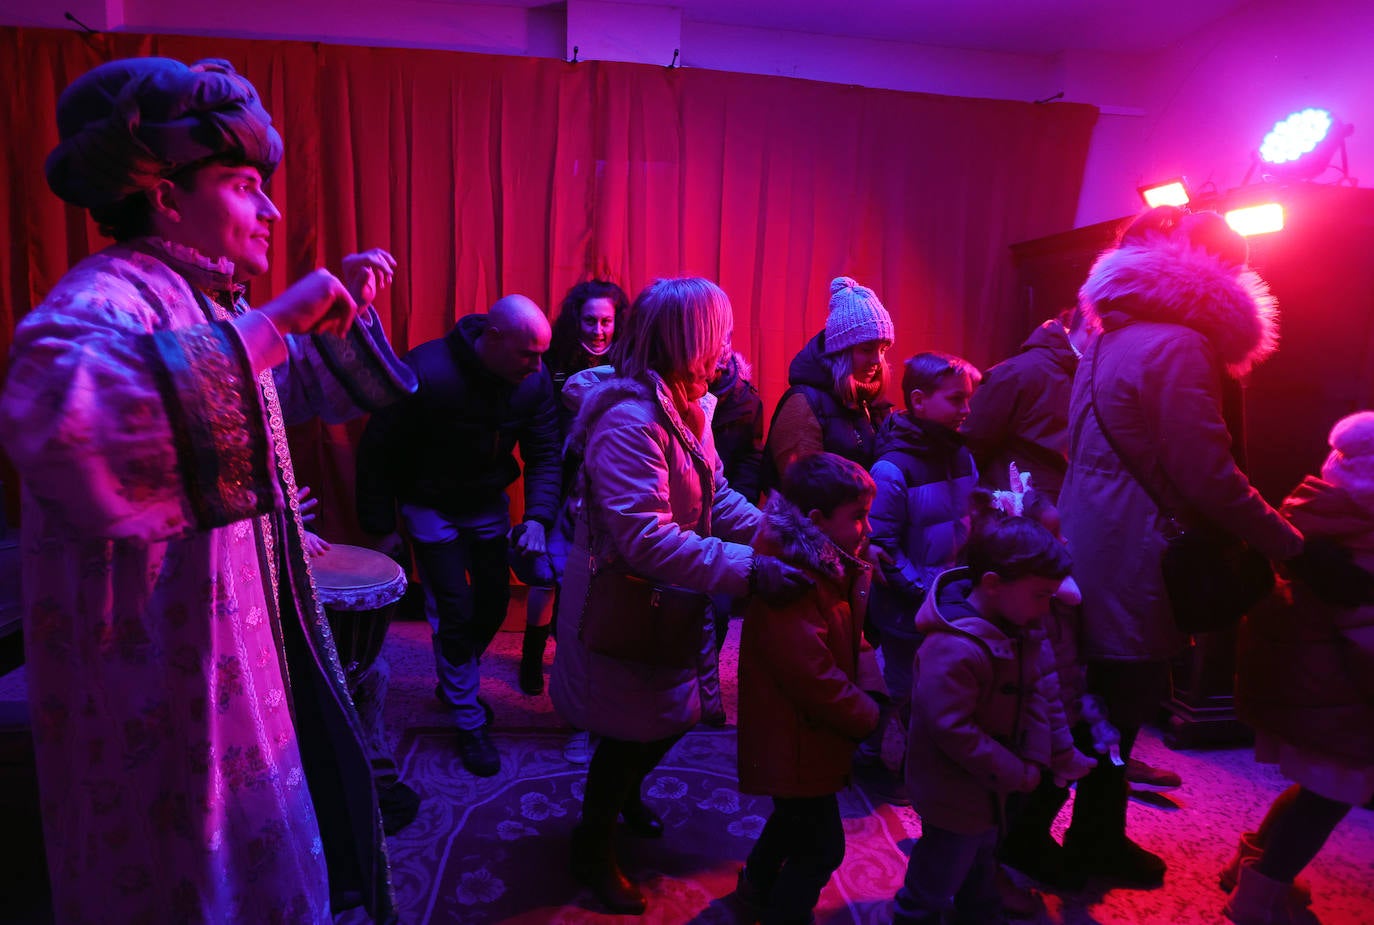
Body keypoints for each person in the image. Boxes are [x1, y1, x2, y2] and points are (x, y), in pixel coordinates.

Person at [0, 57, 415, 924]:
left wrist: (331, 315)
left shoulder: (206, 305)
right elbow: (63, 418)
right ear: (161, 190)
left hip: (228, 635)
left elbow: (287, 394)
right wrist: (272, 324)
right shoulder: (104, 296)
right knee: (177, 865)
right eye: (241, 183)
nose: (268, 209)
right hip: (152, 668)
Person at [1058, 206, 1305, 886]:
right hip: (1141, 545)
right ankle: (1073, 841)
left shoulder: (1109, 335)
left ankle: (1085, 834)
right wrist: (1287, 543)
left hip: (1092, 535)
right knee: (1121, 703)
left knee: (1095, 698)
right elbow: (1209, 474)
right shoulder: (1182, 345)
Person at [548, 276, 809, 915]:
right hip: (624, 598)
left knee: (668, 716)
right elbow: (645, 540)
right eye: (718, 331)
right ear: (688, 338)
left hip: (669, 595)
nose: (727, 344)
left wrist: (784, 535)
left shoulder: (687, 404)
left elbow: (715, 496)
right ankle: (592, 842)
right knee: (627, 729)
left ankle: (624, 795)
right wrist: (752, 569)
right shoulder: (631, 421)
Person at [961, 309, 1182, 793]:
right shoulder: (1021, 373)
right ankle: (1021, 767)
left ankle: (1100, 756)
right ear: (1086, 321)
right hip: (1024, 531)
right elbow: (971, 445)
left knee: (1072, 655)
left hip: (1076, 526)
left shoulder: (1100, 372)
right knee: (1031, 656)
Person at [355, 294, 560, 778]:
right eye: (527, 354)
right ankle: (468, 715)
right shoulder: (424, 368)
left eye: (542, 354)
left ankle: (454, 681)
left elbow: (545, 452)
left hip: (487, 502)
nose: (538, 366)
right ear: (493, 338)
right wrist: (382, 527)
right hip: (428, 504)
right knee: (454, 608)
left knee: (491, 603)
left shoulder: (534, 381)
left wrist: (537, 518)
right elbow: (377, 451)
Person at [891, 507, 1096, 925]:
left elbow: (1042, 691)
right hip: (953, 793)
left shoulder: (1020, 625)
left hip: (991, 790)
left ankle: (980, 911)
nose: (1046, 608)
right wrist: (1016, 772)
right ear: (992, 585)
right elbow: (953, 729)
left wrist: (1061, 750)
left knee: (982, 862)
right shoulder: (954, 647)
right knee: (938, 872)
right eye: (1040, 595)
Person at [1222, 411, 1374, 925]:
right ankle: (1256, 901)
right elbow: (1365, 630)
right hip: (1339, 685)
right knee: (1331, 792)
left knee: (1317, 783)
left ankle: (1249, 867)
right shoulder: (1364, 531)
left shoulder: (1323, 504)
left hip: (1310, 673)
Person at [735, 452, 886, 925]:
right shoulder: (795, 578)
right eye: (858, 517)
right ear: (818, 520)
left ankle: (757, 883)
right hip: (793, 734)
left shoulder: (833, 562)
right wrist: (865, 714)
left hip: (808, 735)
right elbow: (810, 674)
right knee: (823, 848)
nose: (867, 527)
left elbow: (845, 639)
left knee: (792, 820)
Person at [858, 352, 980, 803]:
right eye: (956, 400)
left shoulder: (961, 453)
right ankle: (871, 758)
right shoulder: (892, 468)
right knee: (901, 689)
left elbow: (967, 521)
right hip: (906, 604)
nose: (966, 409)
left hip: (945, 598)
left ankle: (920, 766)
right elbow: (881, 548)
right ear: (919, 400)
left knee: (935, 688)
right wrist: (923, 592)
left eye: (969, 399)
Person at [517, 279, 631, 700]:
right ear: (575, 320)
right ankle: (531, 654)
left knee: (597, 574)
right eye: (589, 321)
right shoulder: (556, 356)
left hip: (610, 477)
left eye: (606, 321)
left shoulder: (629, 358)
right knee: (546, 574)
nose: (598, 330)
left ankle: (582, 656)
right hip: (564, 473)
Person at [764, 276, 894, 487]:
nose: (877, 361)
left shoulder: (872, 403)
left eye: (883, 349)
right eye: (866, 349)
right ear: (840, 351)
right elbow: (801, 490)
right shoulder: (803, 404)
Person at [961, 308, 1085, 502]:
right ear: (1092, 325)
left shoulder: (1092, 378)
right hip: (1017, 515)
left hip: (1062, 511)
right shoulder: (1017, 373)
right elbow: (971, 447)